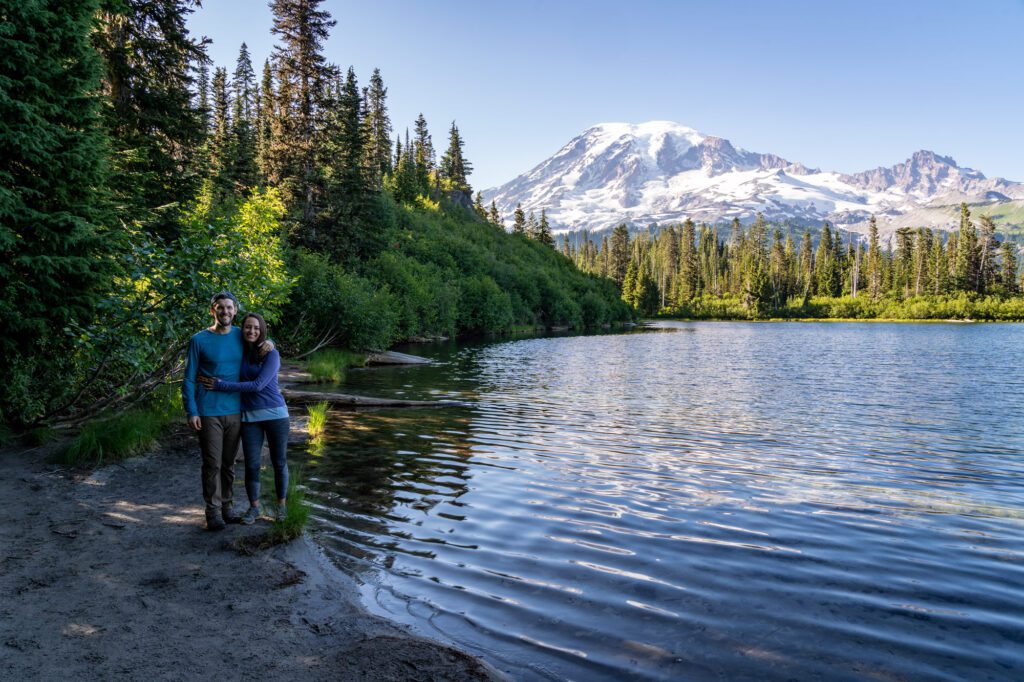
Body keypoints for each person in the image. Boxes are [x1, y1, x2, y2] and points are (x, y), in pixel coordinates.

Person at [198, 312, 290, 524]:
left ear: (263, 330)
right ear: (243, 329)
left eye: (257, 328)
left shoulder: (271, 353)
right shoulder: (241, 349)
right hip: (249, 417)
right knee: (251, 464)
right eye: (248, 327)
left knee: (279, 462)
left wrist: (221, 385)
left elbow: (258, 385)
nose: (252, 331)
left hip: (276, 415)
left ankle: (281, 507)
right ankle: (254, 508)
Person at [182, 292, 246, 531]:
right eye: (220, 308)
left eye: (229, 308)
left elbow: (263, 346)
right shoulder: (199, 340)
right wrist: (192, 411)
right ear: (213, 311)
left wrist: (271, 344)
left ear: (235, 311)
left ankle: (228, 508)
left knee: (229, 463)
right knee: (212, 463)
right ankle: (213, 512)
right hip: (208, 411)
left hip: (237, 410)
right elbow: (189, 379)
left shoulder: (242, 335)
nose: (225, 312)